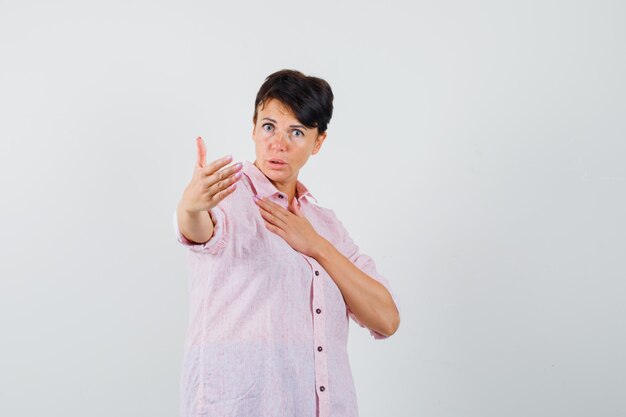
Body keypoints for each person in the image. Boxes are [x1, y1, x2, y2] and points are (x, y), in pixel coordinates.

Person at [173, 69, 400, 417]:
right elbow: (200, 230)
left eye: (296, 132)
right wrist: (190, 206)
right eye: (268, 127)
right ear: (252, 128)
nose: (278, 143)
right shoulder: (227, 195)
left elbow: (386, 318)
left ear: (318, 141)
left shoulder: (326, 225)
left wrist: (317, 245)